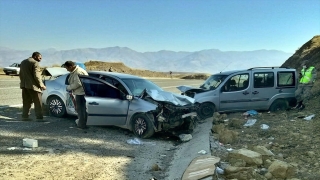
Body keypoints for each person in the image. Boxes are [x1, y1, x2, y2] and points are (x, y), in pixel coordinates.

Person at [19, 52, 46, 121]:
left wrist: (23, 83)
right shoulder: (35, 63)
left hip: (24, 85)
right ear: (35, 56)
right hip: (33, 87)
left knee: (26, 102)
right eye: (40, 57)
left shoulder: (23, 62)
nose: (40, 59)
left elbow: (20, 74)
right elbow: (37, 75)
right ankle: (39, 118)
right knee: (38, 102)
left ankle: (25, 116)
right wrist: (41, 85)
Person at [63, 61, 89, 129]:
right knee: (82, 109)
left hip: (81, 93)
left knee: (80, 110)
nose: (67, 70)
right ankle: (83, 123)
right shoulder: (76, 71)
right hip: (81, 92)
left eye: (67, 68)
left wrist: (69, 87)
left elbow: (78, 83)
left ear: (70, 66)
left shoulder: (78, 72)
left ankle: (81, 125)